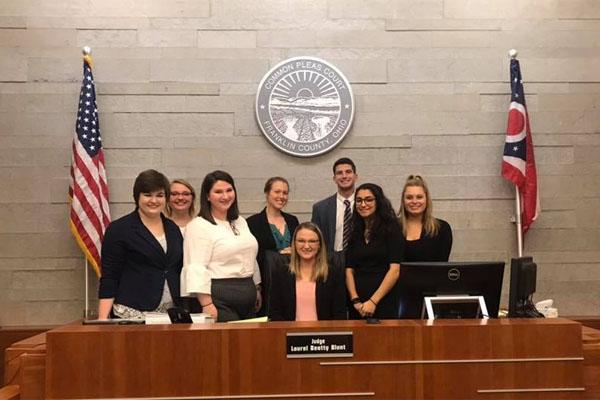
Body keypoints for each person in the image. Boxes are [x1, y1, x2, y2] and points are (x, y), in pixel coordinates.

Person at [98, 169, 183, 320]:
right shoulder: (119, 229)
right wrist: (103, 319)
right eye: (147, 195)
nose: (154, 200)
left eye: (160, 195)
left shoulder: (173, 229)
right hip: (131, 312)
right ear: (137, 197)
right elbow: (110, 276)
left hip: (169, 313)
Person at [181, 170, 261, 322]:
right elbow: (196, 267)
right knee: (229, 344)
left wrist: (256, 288)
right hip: (219, 297)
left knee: (248, 344)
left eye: (229, 190)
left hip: (247, 292)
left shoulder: (240, 221)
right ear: (207, 196)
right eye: (218, 192)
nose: (225, 196)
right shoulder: (198, 226)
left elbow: (249, 256)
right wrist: (207, 304)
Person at [345, 183, 404, 320]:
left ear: (379, 201)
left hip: (384, 300)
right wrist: (355, 300)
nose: (363, 204)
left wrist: (373, 301)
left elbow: (394, 270)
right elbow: (349, 270)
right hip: (357, 304)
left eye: (369, 199)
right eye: (359, 200)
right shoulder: (355, 230)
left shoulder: (392, 228)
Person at [269, 222, 346, 321]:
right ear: (294, 244)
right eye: (301, 241)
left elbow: (339, 314)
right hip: (289, 334)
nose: (306, 246)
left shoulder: (332, 274)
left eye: (312, 241)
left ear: (319, 245)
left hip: (323, 334)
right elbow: (275, 313)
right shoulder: (281, 273)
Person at [247, 177, 299, 316]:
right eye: (277, 192)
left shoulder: (293, 220)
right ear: (267, 193)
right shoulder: (252, 223)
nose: (281, 196)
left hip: (292, 282)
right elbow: (251, 257)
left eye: (285, 193)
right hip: (266, 284)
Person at [311, 157, 358, 269]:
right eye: (339, 173)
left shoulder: (366, 205)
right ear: (334, 179)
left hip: (360, 265)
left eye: (348, 172)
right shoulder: (320, 208)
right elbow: (315, 240)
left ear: (356, 176)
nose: (344, 176)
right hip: (331, 265)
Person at [398, 175, 452, 262]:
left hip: (432, 275)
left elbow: (442, 267)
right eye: (409, 197)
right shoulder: (392, 227)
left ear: (427, 199)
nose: (414, 201)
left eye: (419, 197)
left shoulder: (442, 228)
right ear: (403, 201)